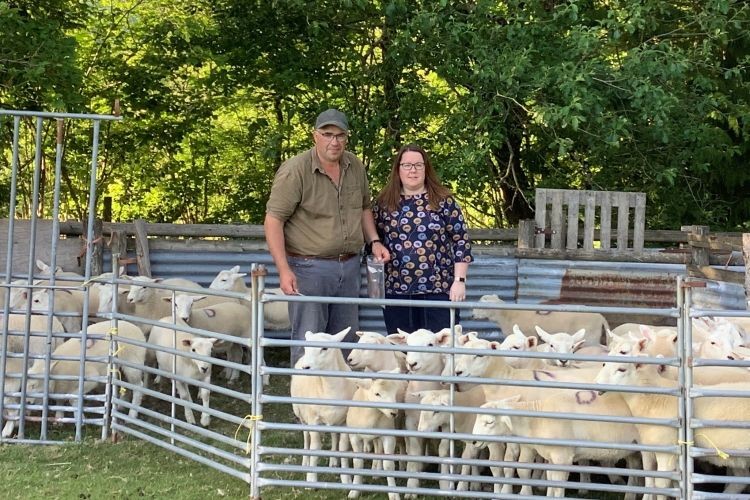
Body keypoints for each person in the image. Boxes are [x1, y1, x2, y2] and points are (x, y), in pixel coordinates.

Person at [265, 109, 390, 363]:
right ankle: (303, 401)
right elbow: (273, 220)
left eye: (340, 135)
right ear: (315, 136)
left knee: (345, 339)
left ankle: (341, 400)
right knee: (309, 339)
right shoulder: (295, 171)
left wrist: (374, 240)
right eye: (327, 134)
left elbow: (364, 206)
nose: (334, 142)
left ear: (346, 138)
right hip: (308, 268)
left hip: (349, 265)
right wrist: (283, 269)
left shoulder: (354, 165)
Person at [373, 143, 473, 334]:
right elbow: (373, 240)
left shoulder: (444, 201)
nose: (413, 170)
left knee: (441, 350)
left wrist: (459, 280)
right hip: (397, 291)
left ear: (426, 168)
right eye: (407, 165)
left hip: (438, 290)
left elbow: (461, 241)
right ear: (398, 169)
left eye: (418, 165)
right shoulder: (384, 203)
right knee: (403, 354)